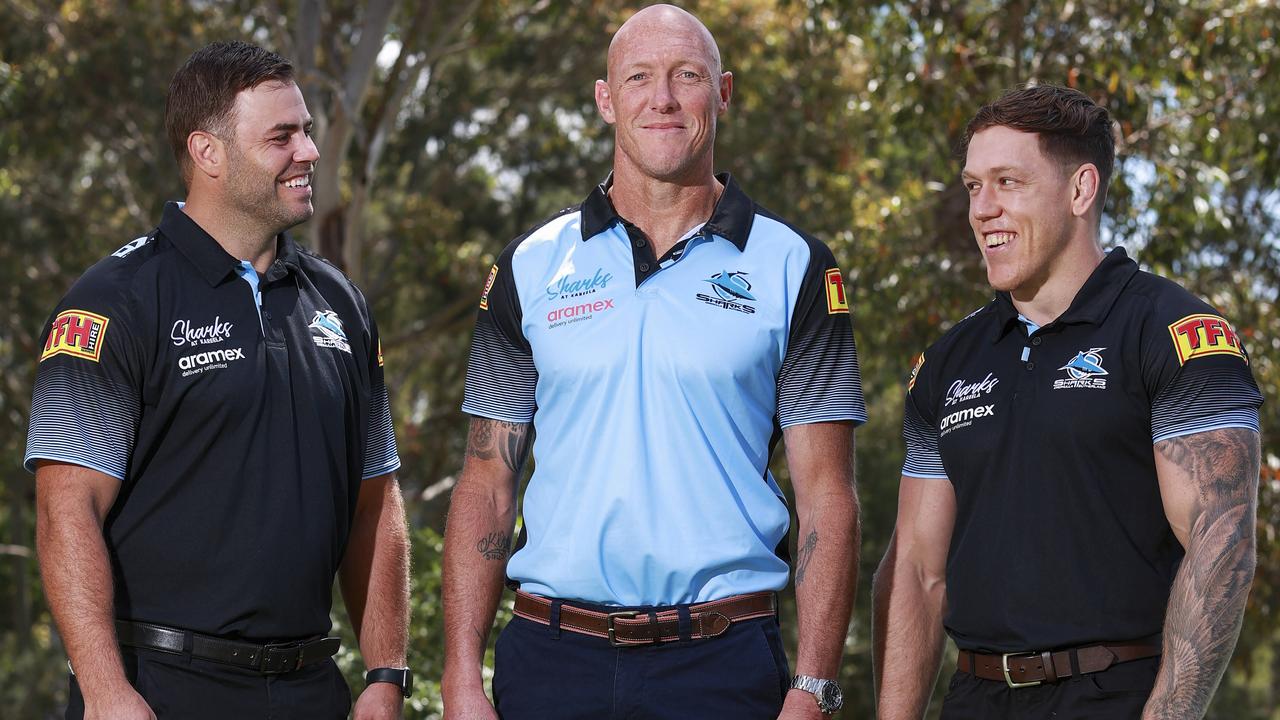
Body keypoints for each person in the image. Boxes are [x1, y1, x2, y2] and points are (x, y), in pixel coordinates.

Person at [442, 5, 866, 719]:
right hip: (550, 658)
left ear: (722, 93)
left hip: (722, 663)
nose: (662, 99)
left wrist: (814, 687)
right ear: (607, 98)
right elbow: (487, 478)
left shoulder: (794, 267)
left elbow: (827, 496)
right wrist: (459, 676)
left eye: (687, 77)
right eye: (638, 77)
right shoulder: (530, 266)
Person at [27, 41, 411, 720]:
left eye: (308, 131)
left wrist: (385, 675)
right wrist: (107, 692)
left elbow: (375, 502)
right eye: (282, 136)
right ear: (207, 153)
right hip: (160, 690)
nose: (309, 152)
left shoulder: (340, 304)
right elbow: (66, 512)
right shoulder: (116, 301)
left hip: (310, 690)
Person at [872, 84, 1263, 720]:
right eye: (974, 186)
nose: (983, 209)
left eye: (1008, 182)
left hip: (1116, 694)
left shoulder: (1173, 333)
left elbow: (1222, 546)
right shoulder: (948, 360)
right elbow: (917, 567)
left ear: (1081, 190)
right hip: (972, 697)